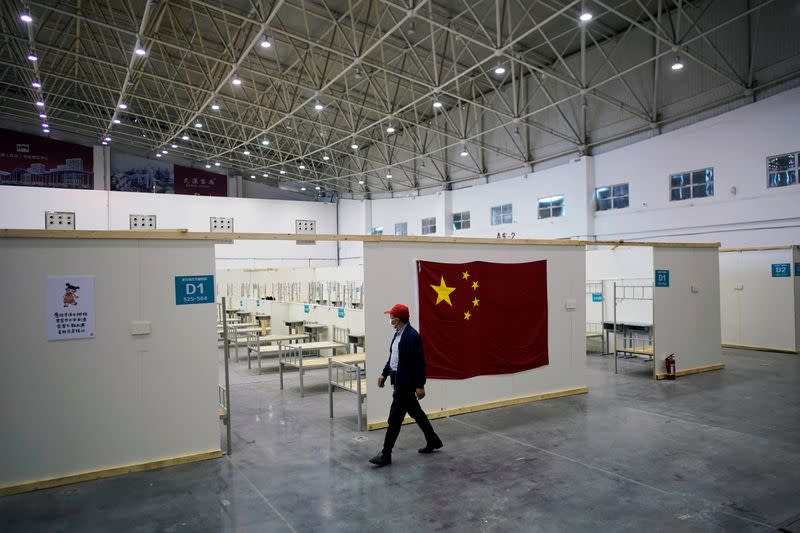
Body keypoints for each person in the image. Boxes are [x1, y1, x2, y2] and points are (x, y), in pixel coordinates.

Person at [369, 304, 443, 467]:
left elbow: (419, 363)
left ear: (398, 319)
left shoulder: (411, 336)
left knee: (394, 419)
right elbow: (393, 359)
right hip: (398, 380)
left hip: (406, 384)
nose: (389, 320)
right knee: (416, 412)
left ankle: (386, 454)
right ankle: (433, 440)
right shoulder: (397, 335)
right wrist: (384, 373)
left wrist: (420, 385)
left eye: (391, 317)